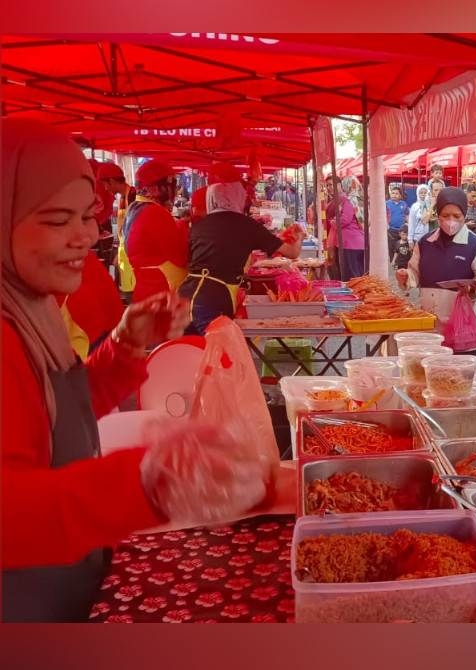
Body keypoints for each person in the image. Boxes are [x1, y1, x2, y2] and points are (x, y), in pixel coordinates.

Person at [1, 119, 273, 622]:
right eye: (58, 220)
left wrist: (125, 347)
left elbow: (58, 412)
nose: (86, 235)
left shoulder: (30, 307)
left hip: (70, 576)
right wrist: (147, 482)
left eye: (88, 216)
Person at [179, 174, 304, 335]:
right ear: (236, 197)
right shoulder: (246, 225)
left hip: (184, 296)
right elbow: (292, 252)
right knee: (219, 352)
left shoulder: (199, 226)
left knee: (188, 351)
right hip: (215, 298)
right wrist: (299, 237)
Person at [397, 187, 476, 354]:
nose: (451, 221)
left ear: (464, 215)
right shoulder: (425, 243)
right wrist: (405, 277)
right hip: (430, 326)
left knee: (458, 376)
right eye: (445, 215)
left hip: (461, 327)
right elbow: (414, 273)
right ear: (437, 215)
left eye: (457, 216)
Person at [123, 159, 189, 303]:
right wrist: (184, 226)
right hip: (162, 292)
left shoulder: (135, 207)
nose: (175, 189)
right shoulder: (155, 213)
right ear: (158, 187)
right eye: (172, 184)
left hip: (147, 289)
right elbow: (180, 256)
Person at [326, 177, 366, 280]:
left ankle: (354, 295)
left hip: (349, 244)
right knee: (359, 275)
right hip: (360, 242)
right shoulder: (360, 200)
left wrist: (333, 221)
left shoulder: (349, 200)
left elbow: (344, 220)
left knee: (352, 277)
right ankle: (359, 295)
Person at [386, 184, 410, 260]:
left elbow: (407, 216)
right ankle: (392, 262)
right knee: (391, 247)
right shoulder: (386, 204)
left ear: (400, 195)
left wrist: (408, 224)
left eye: (396, 193)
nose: (394, 195)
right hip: (391, 230)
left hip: (402, 231)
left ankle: (400, 262)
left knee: (402, 247)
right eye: (393, 193)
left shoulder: (403, 204)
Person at [392, 226, 413, 295]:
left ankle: (407, 290)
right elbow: (396, 252)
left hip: (407, 263)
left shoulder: (409, 243)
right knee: (400, 277)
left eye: (406, 235)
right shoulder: (397, 243)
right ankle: (402, 290)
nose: (405, 236)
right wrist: (393, 261)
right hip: (400, 263)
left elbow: (412, 252)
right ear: (399, 234)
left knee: (407, 277)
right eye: (403, 234)